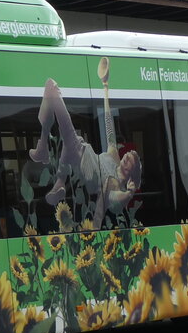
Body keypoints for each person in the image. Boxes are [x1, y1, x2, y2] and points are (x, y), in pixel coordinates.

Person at [29, 56, 141, 228]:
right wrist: (105, 88)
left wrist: (129, 193)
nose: (125, 157)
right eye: (126, 156)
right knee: (51, 87)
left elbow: (115, 200)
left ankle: (46, 154)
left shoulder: (117, 185)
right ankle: (47, 155)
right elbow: (109, 125)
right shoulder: (114, 155)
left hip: (87, 168)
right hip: (80, 154)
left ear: (131, 172)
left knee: (55, 95)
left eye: (128, 161)